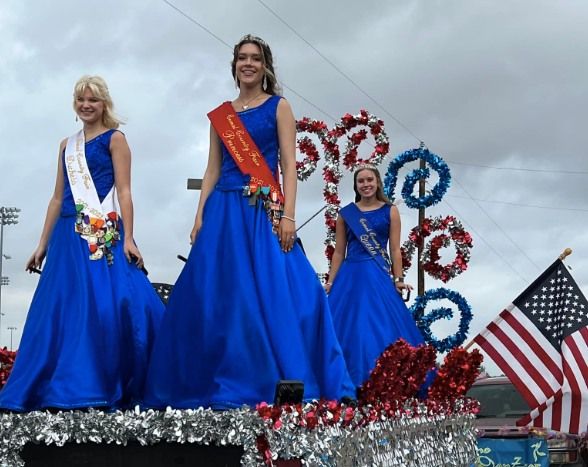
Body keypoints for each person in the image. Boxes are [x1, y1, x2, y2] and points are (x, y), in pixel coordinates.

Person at [143, 34, 354, 409]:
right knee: (213, 295)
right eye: (242, 58)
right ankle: (208, 377)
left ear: (265, 65)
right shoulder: (222, 115)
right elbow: (211, 168)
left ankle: (278, 375)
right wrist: (199, 216)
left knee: (280, 292)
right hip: (222, 211)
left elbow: (289, 165)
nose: (249, 64)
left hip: (260, 211)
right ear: (235, 65)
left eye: (256, 58)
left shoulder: (279, 106)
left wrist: (288, 214)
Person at [0, 76, 164, 411]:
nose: (86, 105)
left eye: (93, 100)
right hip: (65, 237)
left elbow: (124, 191)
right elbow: (57, 198)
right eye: (81, 99)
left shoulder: (116, 140)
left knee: (106, 304)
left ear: (105, 103)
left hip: (100, 232)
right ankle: (59, 383)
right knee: (63, 309)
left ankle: (99, 381)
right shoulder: (66, 145)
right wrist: (41, 244)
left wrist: (129, 237)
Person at [325, 165, 425, 389]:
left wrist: (398, 280)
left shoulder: (390, 210)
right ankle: (344, 383)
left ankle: (385, 382)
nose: (366, 184)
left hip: (377, 275)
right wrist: (330, 282)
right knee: (344, 327)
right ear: (356, 185)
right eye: (361, 181)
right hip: (350, 276)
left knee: (381, 326)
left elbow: (395, 250)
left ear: (378, 182)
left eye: (370, 179)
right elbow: (339, 252)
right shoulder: (346, 214)